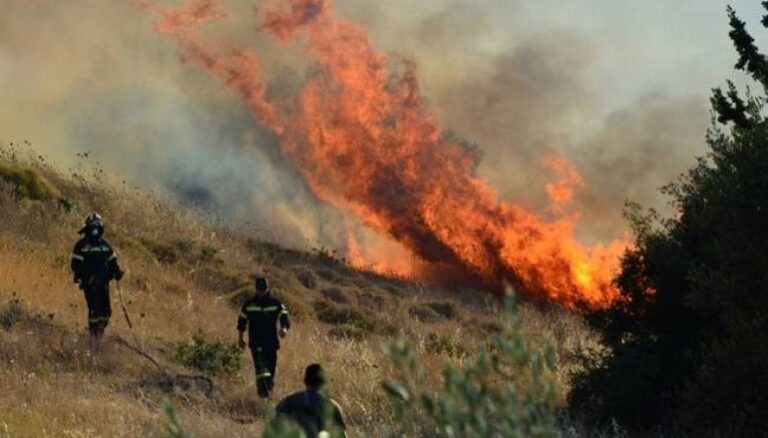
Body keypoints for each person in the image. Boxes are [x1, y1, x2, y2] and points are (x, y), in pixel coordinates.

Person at [71, 213, 124, 338]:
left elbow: (112, 262)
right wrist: (83, 277)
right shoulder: (81, 245)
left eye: (98, 226)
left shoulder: (105, 246)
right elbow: (75, 264)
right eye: (93, 226)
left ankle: (100, 331)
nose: (95, 229)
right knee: (94, 309)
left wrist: (117, 272)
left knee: (106, 311)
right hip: (89, 283)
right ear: (88, 227)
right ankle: (93, 335)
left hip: (104, 282)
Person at [237, 277, 290, 398]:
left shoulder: (276, 303)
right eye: (260, 290)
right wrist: (240, 338)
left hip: (271, 342)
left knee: (270, 370)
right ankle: (263, 395)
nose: (262, 292)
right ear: (256, 290)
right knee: (261, 370)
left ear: (268, 289)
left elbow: (284, 317)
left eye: (264, 290)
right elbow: (241, 322)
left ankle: (269, 393)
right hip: (256, 342)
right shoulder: (249, 304)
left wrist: (284, 329)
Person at [275, 364, 347, 438]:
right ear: (323, 382)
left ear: (305, 381)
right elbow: (342, 435)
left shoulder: (290, 401)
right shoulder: (331, 405)